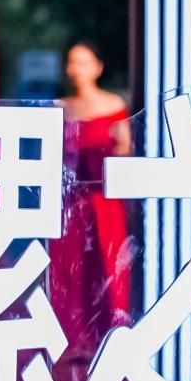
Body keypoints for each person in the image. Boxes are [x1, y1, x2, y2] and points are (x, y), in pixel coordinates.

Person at [53, 41, 133, 356]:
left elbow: (124, 148)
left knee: (109, 265)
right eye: (73, 62)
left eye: (85, 62)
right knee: (73, 269)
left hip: (104, 199)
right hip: (74, 201)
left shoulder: (113, 104)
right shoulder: (61, 107)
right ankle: (77, 340)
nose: (78, 69)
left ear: (98, 67)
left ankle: (112, 337)